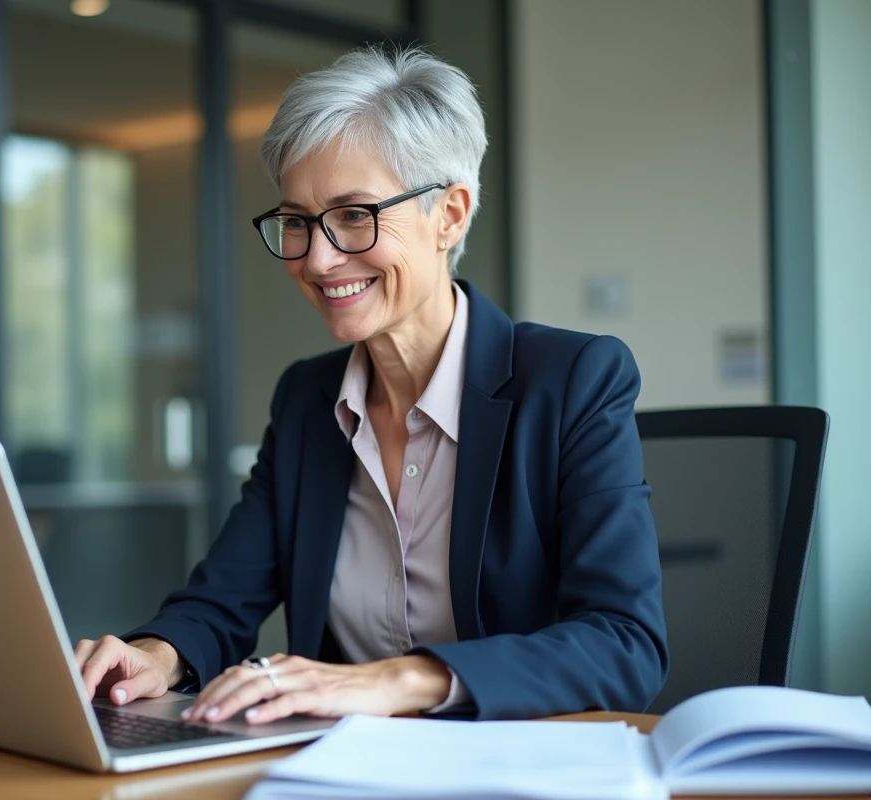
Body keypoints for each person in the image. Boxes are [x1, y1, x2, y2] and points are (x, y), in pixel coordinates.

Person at [74, 44, 668, 724]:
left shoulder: (572, 381)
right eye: (297, 221)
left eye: (355, 215)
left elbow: (625, 645)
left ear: (449, 215)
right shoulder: (307, 401)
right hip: (342, 771)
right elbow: (221, 600)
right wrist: (157, 653)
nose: (319, 259)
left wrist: (394, 681)